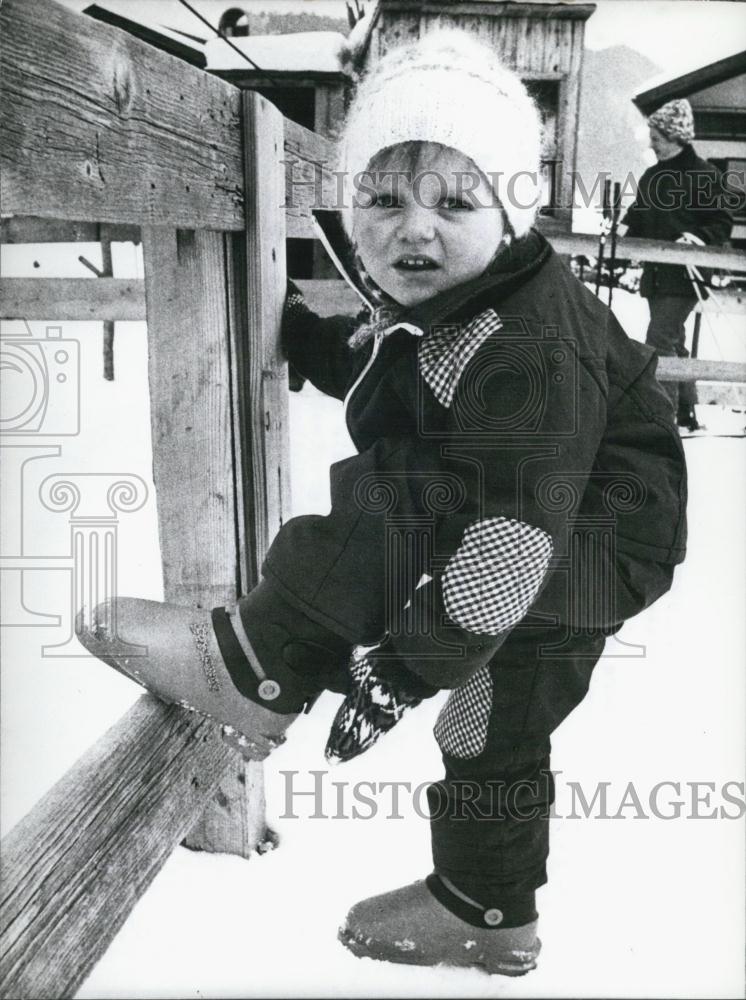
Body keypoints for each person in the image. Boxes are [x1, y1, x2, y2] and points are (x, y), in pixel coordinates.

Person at [78, 31, 687, 977]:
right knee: (479, 691)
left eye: (454, 202)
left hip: (590, 539)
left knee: (440, 582)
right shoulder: (462, 305)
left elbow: (512, 545)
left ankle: (265, 670)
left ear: (510, 214)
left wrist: (403, 670)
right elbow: (399, 365)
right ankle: (481, 903)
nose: (416, 228)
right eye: (384, 198)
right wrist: (310, 340)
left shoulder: (527, 346)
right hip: (538, 517)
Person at [619, 98, 733, 431]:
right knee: (675, 342)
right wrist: (617, 233)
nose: (651, 143)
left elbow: (720, 223)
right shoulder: (652, 176)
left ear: (673, 137)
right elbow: (637, 220)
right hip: (657, 275)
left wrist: (696, 238)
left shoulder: (705, 175)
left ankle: (663, 418)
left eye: (656, 137)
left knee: (659, 338)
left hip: (687, 275)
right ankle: (687, 414)